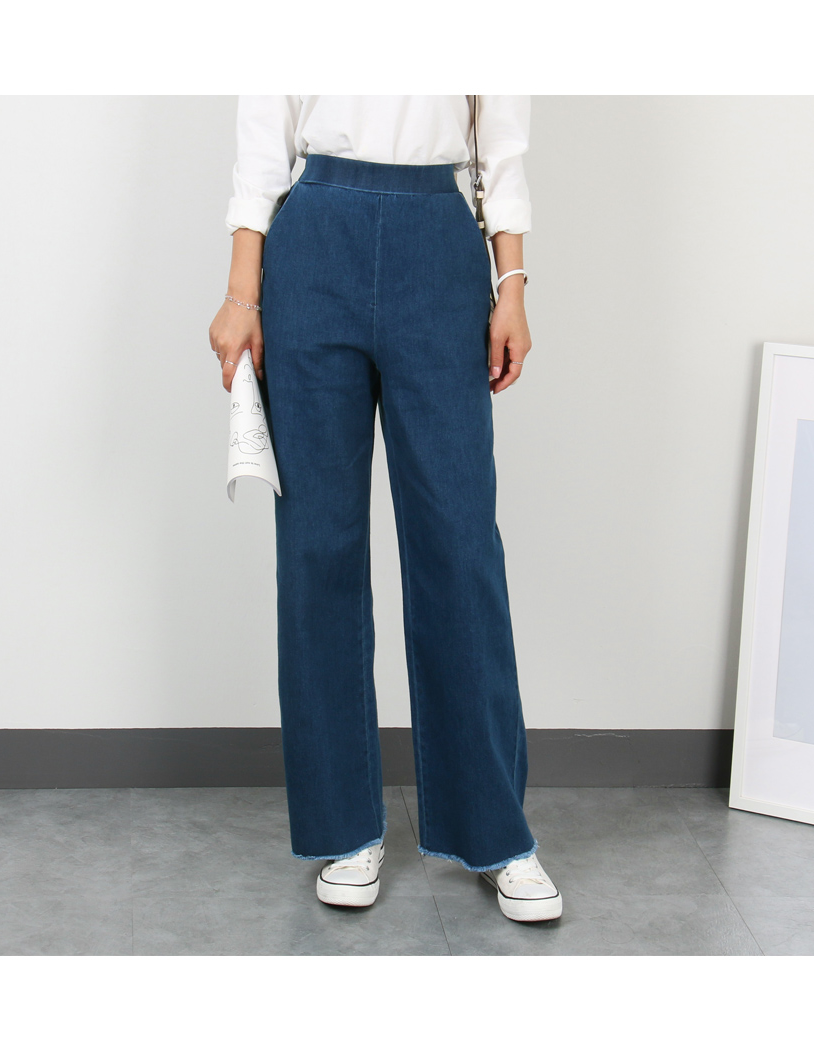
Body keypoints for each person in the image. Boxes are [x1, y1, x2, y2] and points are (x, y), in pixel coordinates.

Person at [208, 95, 562, 923]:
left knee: (460, 544)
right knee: (317, 549)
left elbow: (501, 139)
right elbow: (264, 127)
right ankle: (345, 829)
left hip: (438, 241)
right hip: (313, 244)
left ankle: (496, 833)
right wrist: (241, 292)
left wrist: (511, 284)